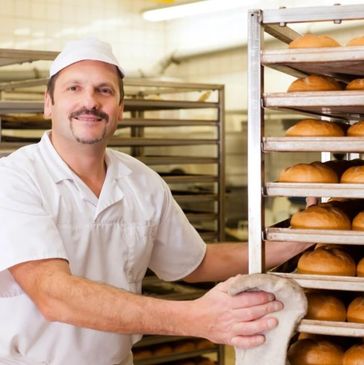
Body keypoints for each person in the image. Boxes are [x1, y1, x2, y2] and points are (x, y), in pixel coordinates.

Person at [0, 38, 312, 365]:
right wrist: (194, 317)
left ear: (120, 108)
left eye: (104, 91)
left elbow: (196, 263)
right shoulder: (15, 178)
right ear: (48, 103)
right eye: (73, 89)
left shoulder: (142, 181)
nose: (89, 102)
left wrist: (291, 242)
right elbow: (54, 295)